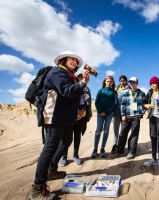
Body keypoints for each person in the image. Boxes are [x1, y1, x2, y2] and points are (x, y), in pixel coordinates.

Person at [29, 51, 90, 200]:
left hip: (66, 117)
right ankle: (37, 189)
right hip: (55, 116)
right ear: (63, 60)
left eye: (76, 61)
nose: (75, 62)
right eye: (72, 59)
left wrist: (78, 110)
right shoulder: (57, 72)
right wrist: (83, 83)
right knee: (50, 147)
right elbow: (67, 91)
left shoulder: (70, 75)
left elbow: (72, 96)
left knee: (66, 142)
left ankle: (52, 169)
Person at [59, 67, 92, 166]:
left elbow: (88, 103)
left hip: (81, 117)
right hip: (69, 116)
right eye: (80, 76)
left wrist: (87, 113)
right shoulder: (71, 86)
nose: (82, 78)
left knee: (77, 136)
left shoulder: (87, 88)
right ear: (76, 77)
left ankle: (76, 156)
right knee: (66, 138)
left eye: (83, 76)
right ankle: (64, 157)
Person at [112, 76, 145, 160]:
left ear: (137, 83)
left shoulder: (141, 93)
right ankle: (119, 151)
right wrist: (123, 114)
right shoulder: (126, 92)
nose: (132, 84)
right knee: (122, 133)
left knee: (134, 134)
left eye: (133, 82)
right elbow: (123, 104)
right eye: (130, 82)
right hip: (127, 116)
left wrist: (144, 109)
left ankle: (131, 152)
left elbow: (145, 103)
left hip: (136, 116)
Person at [143, 76, 159, 170]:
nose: (152, 85)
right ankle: (153, 158)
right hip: (151, 117)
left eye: (154, 83)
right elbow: (143, 101)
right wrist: (145, 105)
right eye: (151, 84)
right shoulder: (150, 92)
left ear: (158, 83)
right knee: (153, 136)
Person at [90, 76, 118, 158]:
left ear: (112, 83)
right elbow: (97, 102)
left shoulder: (114, 92)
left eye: (111, 81)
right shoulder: (100, 91)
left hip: (109, 113)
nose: (109, 82)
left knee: (106, 130)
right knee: (98, 130)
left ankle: (102, 148)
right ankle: (95, 149)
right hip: (100, 113)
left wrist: (107, 111)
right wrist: (101, 111)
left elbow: (115, 103)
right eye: (108, 81)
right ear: (105, 82)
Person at [111, 75, 130, 154]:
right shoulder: (117, 88)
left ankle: (121, 145)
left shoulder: (129, 89)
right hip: (116, 110)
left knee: (123, 129)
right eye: (121, 81)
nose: (122, 82)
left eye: (123, 80)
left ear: (126, 81)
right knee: (115, 128)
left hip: (125, 112)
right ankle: (115, 145)